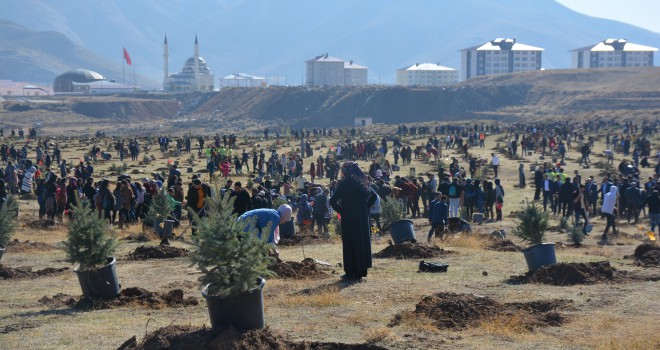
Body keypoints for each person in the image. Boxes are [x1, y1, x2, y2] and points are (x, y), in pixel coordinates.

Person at [330, 162, 377, 282]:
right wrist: (366, 208)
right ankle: (361, 272)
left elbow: (332, 201)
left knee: (350, 243)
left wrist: (342, 211)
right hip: (362, 217)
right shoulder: (362, 182)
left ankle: (350, 273)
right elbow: (374, 197)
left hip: (349, 217)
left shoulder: (344, 183)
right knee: (361, 242)